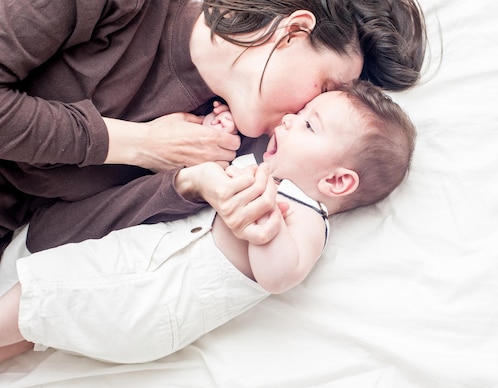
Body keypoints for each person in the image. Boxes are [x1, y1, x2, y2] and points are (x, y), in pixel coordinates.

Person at [0, 79, 416, 364]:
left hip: (148, 294)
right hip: (137, 277)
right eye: (300, 112)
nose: (288, 119)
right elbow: (207, 167)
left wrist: (269, 223)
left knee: (32, 296)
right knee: (33, 324)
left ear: (337, 181)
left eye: (308, 124)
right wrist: (218, 132)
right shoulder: (262, 169)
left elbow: (278, 275)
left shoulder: (306, 215)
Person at [0, 0, 428, 255]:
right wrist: (138, 144)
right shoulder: (132, 10)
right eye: (325, 87)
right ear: (294, 31)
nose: (308, 111)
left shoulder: (231, 143)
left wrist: (184, 186)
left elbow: (46, 236)